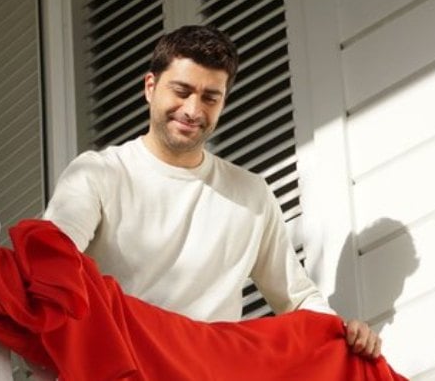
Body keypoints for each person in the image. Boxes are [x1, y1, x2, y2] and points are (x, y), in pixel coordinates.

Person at [42, 25, 382, 358]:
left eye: (210, 98)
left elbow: (297, 298)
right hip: (121, 368)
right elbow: (48, 263)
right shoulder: (98, 173)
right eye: (181, 91)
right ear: (150, 87)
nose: (193, 110)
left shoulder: (251, 194)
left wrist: (345, 333)